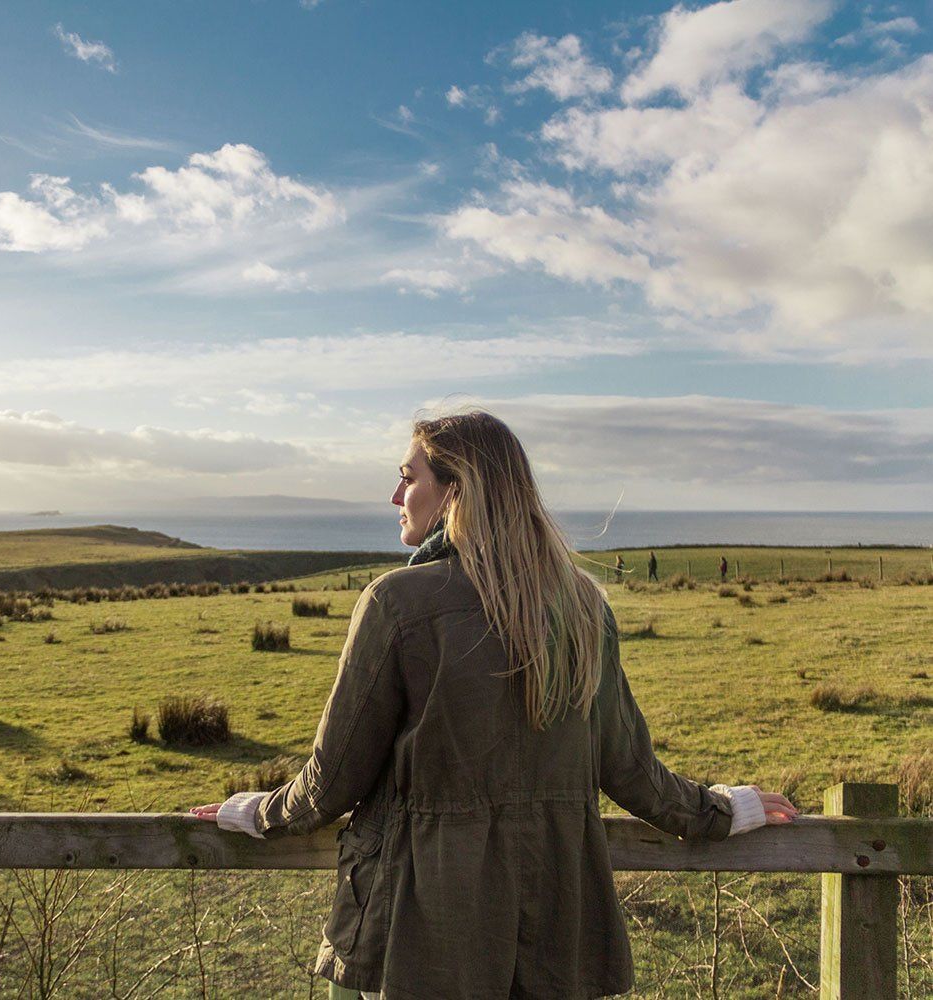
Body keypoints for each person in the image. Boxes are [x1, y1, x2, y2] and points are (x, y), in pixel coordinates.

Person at [189, 411, 797, 999]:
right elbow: (632, 772)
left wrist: (252, 813)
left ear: (456, 492)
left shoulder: (395, 605)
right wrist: (721, 810)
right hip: (555, 926)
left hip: (427, 935)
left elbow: (331, 783)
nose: (395, 494)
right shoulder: (583, 605)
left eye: (409, 476)